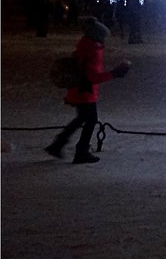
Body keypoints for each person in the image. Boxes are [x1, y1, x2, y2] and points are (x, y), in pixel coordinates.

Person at [45, 17, 131, 164]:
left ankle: (59, 144)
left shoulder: (86, 47)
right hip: (84, 92)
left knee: (82, 119)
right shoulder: (91, 51)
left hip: (81, 90)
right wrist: (114, 74)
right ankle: (80, 151)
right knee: (90, 120)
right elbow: (92, 77)